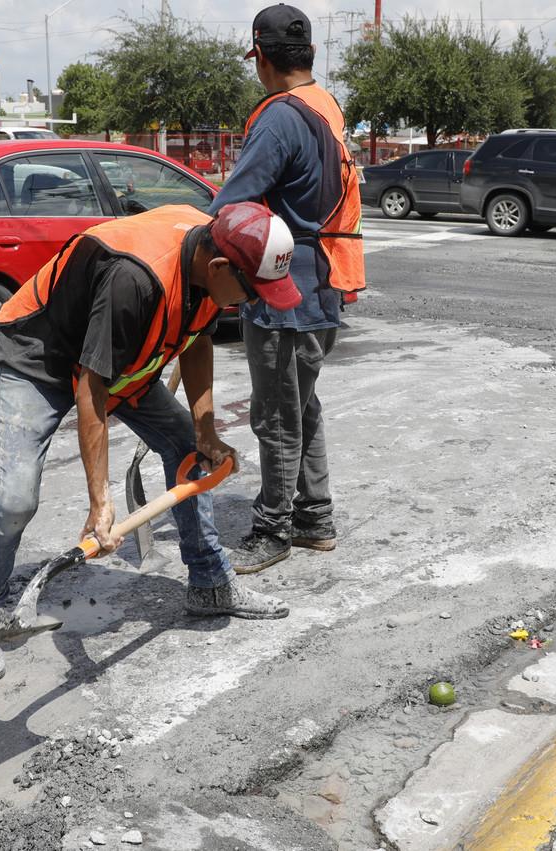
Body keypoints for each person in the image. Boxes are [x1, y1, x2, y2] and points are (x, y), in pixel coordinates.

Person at [0, 202, 303, 683]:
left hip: (116, 364)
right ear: (221, 266)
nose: (254, 303)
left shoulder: (209, 261)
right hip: (39, 357)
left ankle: (210, 584)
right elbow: (90, 388)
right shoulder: (135, 279)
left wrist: (204, 428)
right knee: (17, 496)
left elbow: (198, 339)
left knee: (186, 447)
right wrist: (100, 501)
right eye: (253, 291)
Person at [208, 3, 365, 573]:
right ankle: (314, 517)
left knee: (276, 414)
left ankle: (272, 527)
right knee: (303, 406)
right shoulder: (326, 105)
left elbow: (231, 205)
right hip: (326, 282)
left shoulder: (277, 117)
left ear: (263, 61)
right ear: (311, 56)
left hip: (283, 292)